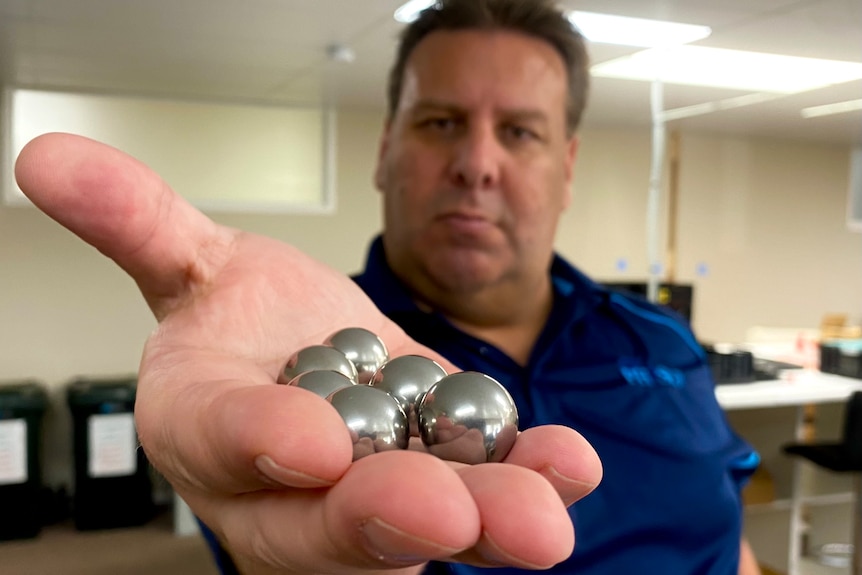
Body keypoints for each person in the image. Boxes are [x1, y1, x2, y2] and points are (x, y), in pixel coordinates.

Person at [12, 0, 761, 574]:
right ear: (384, 151)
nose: (477, 163)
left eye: (520, 132)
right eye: (440, 121)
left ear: (566, 169)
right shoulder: (285, 370)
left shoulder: (664, 339)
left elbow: (727, 531)